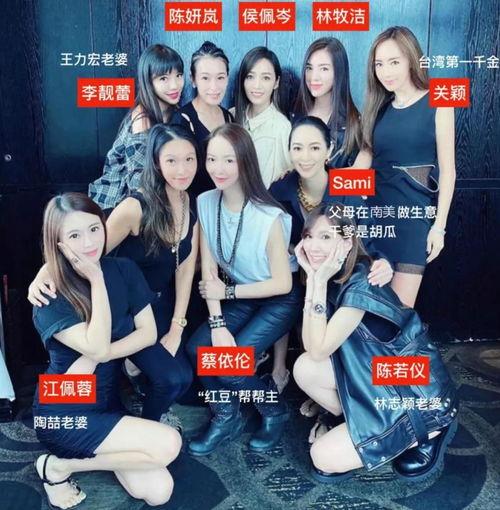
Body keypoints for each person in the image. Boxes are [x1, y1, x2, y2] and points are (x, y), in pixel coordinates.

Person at [29, 125, 199, 424]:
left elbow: (184, 267)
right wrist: (46, 271)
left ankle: (143, 412)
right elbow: (90, 244)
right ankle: (141, 412)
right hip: (122, 306)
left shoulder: (189, 202)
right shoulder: (135, 207)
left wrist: (177, 326)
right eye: (171, 160)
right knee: (170, 377)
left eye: (190, 159)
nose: (182, 169)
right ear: (156, 162)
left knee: (181, 378)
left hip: (157, 305)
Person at [32, 193, 181, 509]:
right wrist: (96, 279)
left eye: (94, 229)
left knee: (159, 491)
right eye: (74, 235)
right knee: (169, 444)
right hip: (63, 409)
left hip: (107, 400)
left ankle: (63, 465)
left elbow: (147, 334)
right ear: (57, 242)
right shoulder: (49, 293)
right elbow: (96, 345)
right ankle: (59, 465)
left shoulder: (124, 269)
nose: (89, 242)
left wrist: (100, 355)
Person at [293, 203, 458, 483]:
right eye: (308, 236)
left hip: (410, 391)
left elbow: (319, 348)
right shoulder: (330, 275)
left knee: (322, 458)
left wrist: (316, 282)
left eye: (325, 237)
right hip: (371, 377)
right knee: (305, 367)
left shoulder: (361, 282)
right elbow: (313, 349)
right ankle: (363, 427)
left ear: (347, 243)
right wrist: (314, 279)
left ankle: (431, 429)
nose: (313, 246)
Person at [270, 116, 393, 434]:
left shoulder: (348, 183)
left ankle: (343, 409)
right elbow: (273, 239)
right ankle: (319, 393)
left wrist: (383, 261)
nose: (305, 156)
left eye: (314, 148)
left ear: (330, 149)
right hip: (301, 275)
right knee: (302, 327)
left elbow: (367, 234)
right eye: (297, 148)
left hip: (341, 279)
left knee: (339, 338)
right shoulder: (280, 189)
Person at [186, 123, 303, 456]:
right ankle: (227, 415)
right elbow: (209, 270)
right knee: (197, 349)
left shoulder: (268, 216)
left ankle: (274, 411)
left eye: (229, 160)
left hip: (279, 299)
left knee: (228, 363)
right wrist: (217, 324)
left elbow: (282, 283)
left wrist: (227, 295)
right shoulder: (206, 202)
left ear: (245, 161)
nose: (218, 168)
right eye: (212, 159)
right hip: (240, 293)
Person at [354, 26, 456, 307]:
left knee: (398, 312)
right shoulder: (376, 108)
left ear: (412, 59)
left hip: (412, 222)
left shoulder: (439, 101)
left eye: (394, 62)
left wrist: (439, 228)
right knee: (368, 310)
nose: (385, 72)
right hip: (375, 221)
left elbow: (448, 171)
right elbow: (359, 170)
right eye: (379, 64)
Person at [89, 44, 185, 210]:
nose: (175, 85)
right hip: (119, 200)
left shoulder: (174, 111)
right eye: (164, 78)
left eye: (179, 75)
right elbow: (137, 181)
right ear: (149, 82)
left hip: (153, 192)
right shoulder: (142, 118)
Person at [171, 41, 234, 196]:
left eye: (220, 77)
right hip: (194, 203)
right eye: (205, 78)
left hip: (224, 201)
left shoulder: (229, 117)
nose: (214, 87)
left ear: (227, 78)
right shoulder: (182, 120)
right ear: (193, 80)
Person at [293, 37, 361, 169]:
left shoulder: (352, 126)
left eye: (324, 69)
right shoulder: (293, 115)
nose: (313, 77)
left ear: (339, 73)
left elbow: (358, 177)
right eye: (309, 68)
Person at [233, 46, 292, 187]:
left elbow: (288, 176)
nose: (257, 85)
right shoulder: (232, 115)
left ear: (276, 82)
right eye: (250, 77)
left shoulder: (281, 127)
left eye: (266, 78)